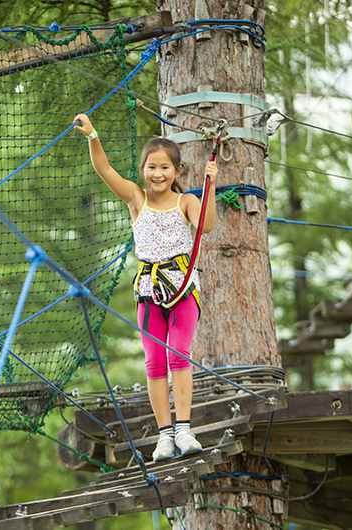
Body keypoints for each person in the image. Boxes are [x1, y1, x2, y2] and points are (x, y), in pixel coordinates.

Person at [73, 113, 217, 461]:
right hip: (150, 290)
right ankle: (165, 435)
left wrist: (210, 185)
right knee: (154, 362)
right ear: (143, 171)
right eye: (152, 167)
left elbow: (207, 227)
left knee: (177, 353)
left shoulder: (187, 202)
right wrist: (94, 136)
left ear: (177, 172)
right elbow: (105, 172)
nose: (157, 174)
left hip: (182, 289)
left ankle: (183, 428)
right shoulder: (137, 200)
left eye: (165, 168)